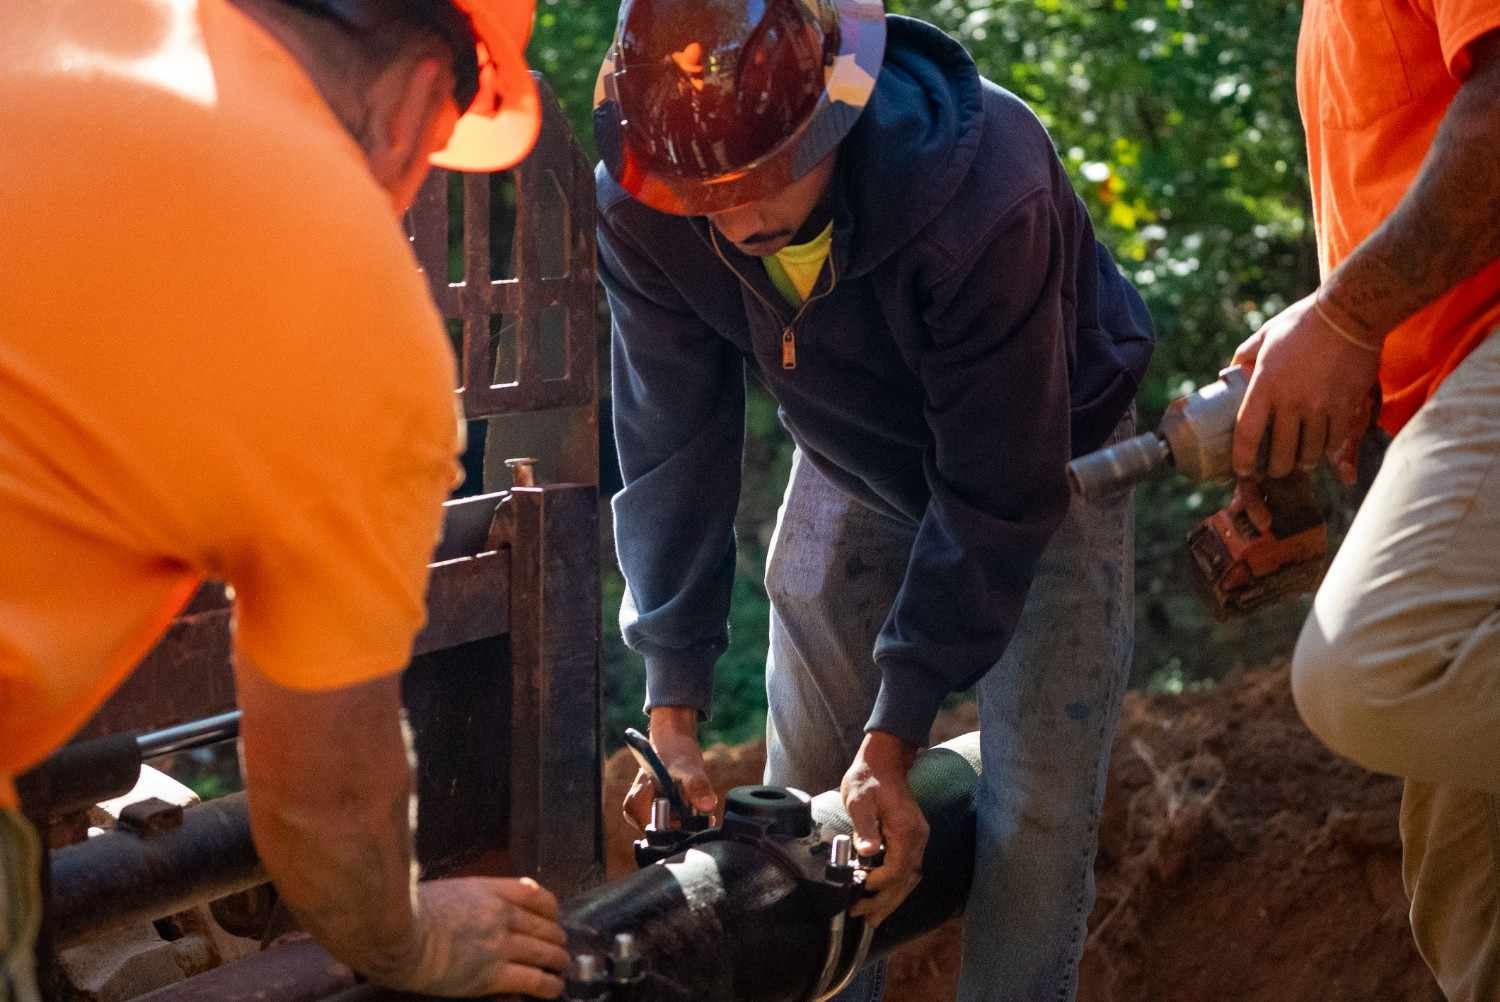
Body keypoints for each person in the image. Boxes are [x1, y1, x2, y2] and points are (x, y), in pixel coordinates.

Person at [0, 1, 569, 998]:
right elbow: (324, 800)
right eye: (436, 151)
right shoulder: (348, 308)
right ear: (417, 100)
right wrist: (415, 944)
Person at [593, 0, 1154, 997]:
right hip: (847, 453)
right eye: (708, 198)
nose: (742, 220)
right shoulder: (646, 204)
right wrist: (670, 709)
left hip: (1046, 461)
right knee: (799, 804)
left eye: (764, 181)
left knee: (1032, 823)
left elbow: (993, 491)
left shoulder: (987, 188)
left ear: (834, 115)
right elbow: (671, 445)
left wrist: (896, 738)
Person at [1228, 3, 1500, 998]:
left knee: (1376, 671)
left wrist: (1347, 318)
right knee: (1470, 890)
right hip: (1442, 387)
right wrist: (1346, 357)